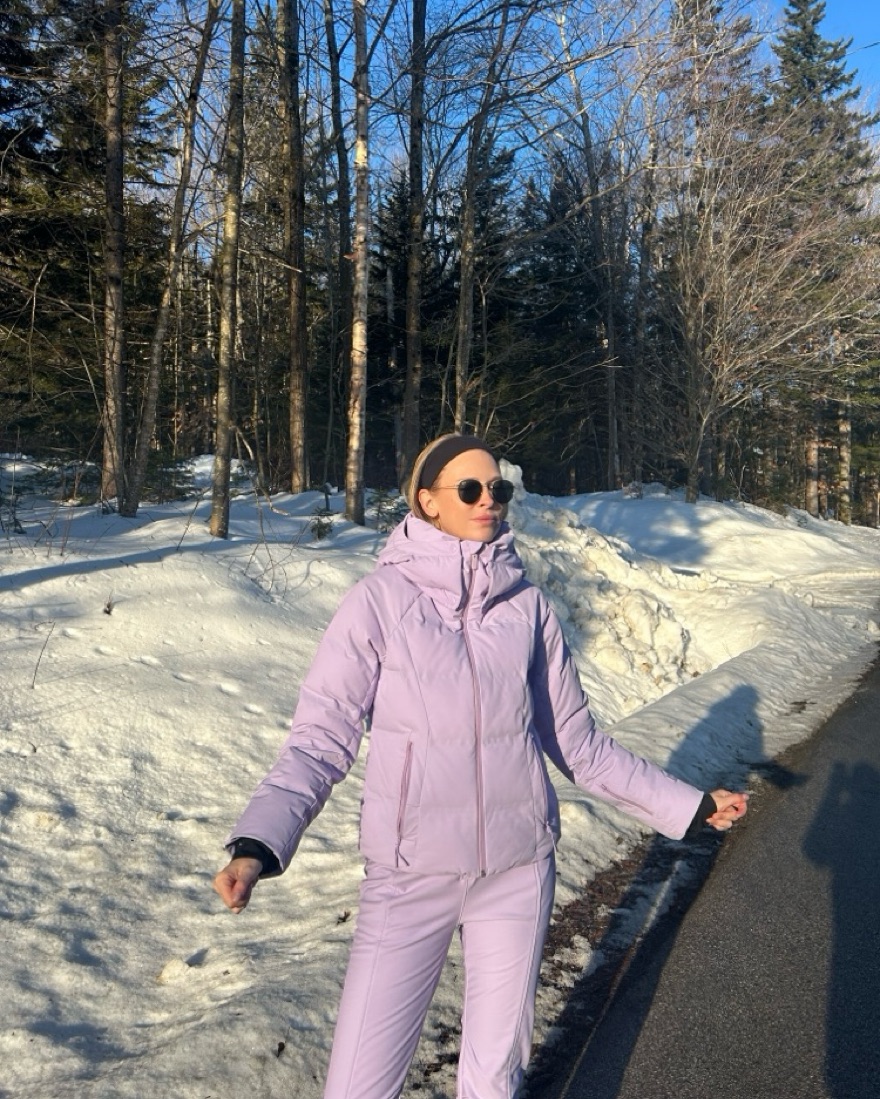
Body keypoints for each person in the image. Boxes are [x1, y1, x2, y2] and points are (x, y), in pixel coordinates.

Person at [213, 434, 748, 1099]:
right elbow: (320, 739)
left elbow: (578, 744)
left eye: (499, 489)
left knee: (495, 1079)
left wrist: (689, 805)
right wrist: (257, 845)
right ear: (427, 501)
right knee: (358, 1083)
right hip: (412, 874)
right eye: (469, 489)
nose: (487, 500)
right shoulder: (378, 603)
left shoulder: (528, 609)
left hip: (518, 870)